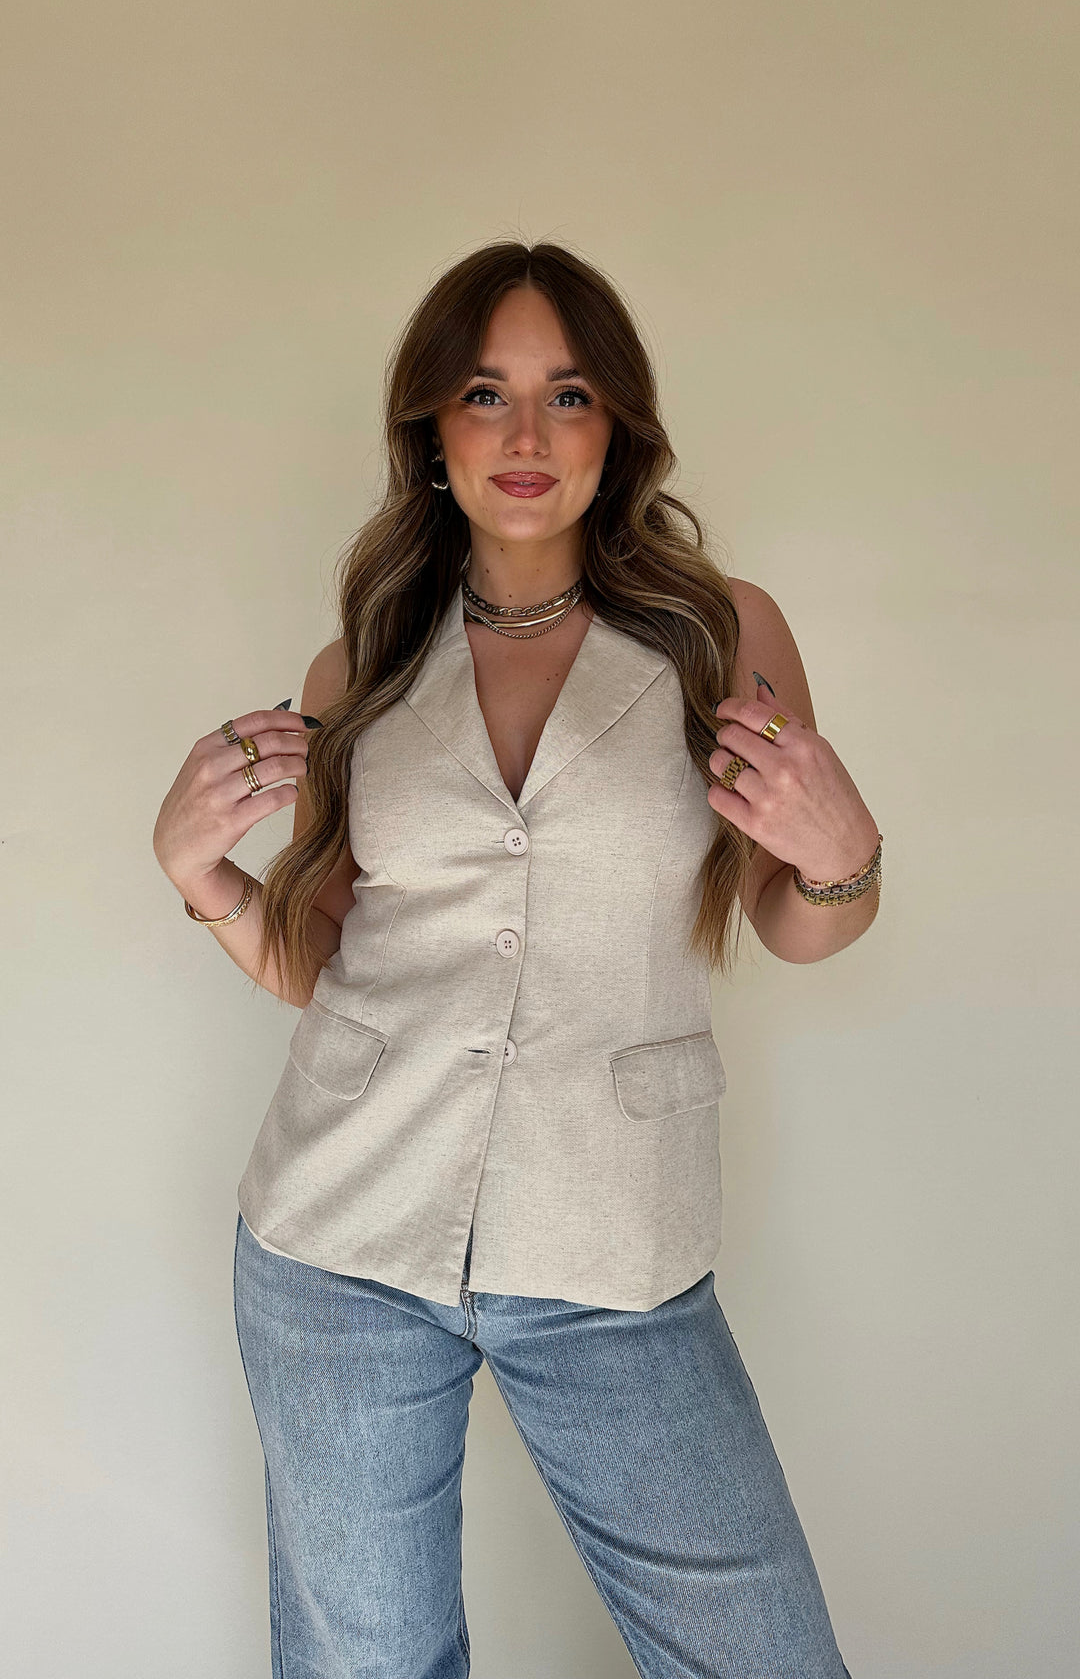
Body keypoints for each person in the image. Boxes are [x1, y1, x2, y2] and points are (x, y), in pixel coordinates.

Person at [154, 241, 879, 1677]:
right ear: (432, 430)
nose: (528, 434)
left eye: (570, 394)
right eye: (486, 394)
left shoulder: (719, 633)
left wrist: (843, 854)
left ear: (619, 429)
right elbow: (326, 956)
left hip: (615, 1237)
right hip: (340, 1238)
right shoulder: (362, 661)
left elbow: (800, 919)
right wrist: (203, 877)